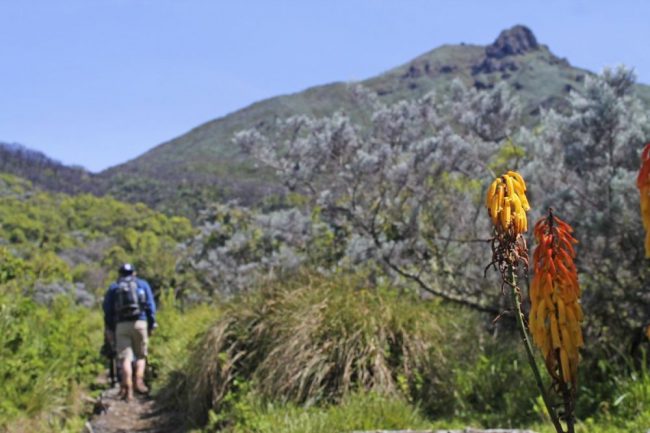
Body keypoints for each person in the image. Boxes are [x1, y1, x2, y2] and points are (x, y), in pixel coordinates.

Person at [103, 263, 157, 401]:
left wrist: (110, 328)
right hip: (141, 323)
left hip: (121, 325)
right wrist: (151, 324)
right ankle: (139, 380)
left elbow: (107, 310)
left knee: (125, 358)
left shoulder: (114, 287)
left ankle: (127, 386)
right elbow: (151, 306)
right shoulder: (142, 284)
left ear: (120, 274)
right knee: (140, 356)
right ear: (134, 273)